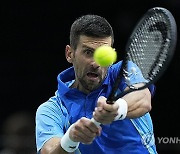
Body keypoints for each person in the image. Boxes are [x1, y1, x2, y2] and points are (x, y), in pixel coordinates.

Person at [35, 14, 157, 154]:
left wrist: (117, 109)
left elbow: (143, 98)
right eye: (88, 52)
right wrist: (70, 139)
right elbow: (48, 150)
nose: (95, 63)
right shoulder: (53, 109)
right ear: (70, 54)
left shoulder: (122, 72)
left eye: (102, 54)